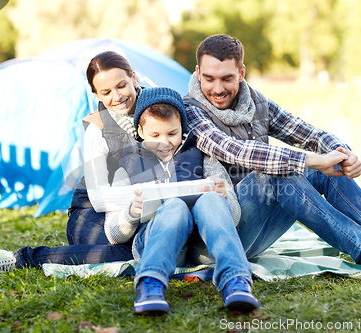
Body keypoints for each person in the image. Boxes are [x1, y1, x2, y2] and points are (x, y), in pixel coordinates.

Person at [183, 34, 361, 277]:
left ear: (241, 74)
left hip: (255, 230)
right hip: (213, 240)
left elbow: (310, 134)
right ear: (197, 72)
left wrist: (343, 154)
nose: (217, 89)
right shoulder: (190, 110)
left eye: (227, 79)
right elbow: (233, 150)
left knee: (325, 170)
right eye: (209, 79)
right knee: (275, 174)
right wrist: (312, 160)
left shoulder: (257, 103)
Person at [0, 51, 144, 272]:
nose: (116, 97)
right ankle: (23, 259)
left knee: (148, 243)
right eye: (106, 92)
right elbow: (98, 199)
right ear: (96, 94)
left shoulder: (161, 112)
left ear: (133, 78)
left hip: (138, 211)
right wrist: (149, 194)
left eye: (121, 86)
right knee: (129, 251)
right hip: (91, 214)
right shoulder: (97, 130)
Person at [105, 86, 258, 315]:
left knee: (210, 200)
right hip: (152, 243)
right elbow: (112, 233)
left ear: (183, 128)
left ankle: (235, 280)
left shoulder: (204, 156)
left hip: (201, 247)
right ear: (140, 130)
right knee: (174, 206)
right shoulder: (126, 166)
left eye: (172, 133)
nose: (165, 143)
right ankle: (151, 284)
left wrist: (224, 197)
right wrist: (131, 213)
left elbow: (233, 217)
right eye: (155, 136)